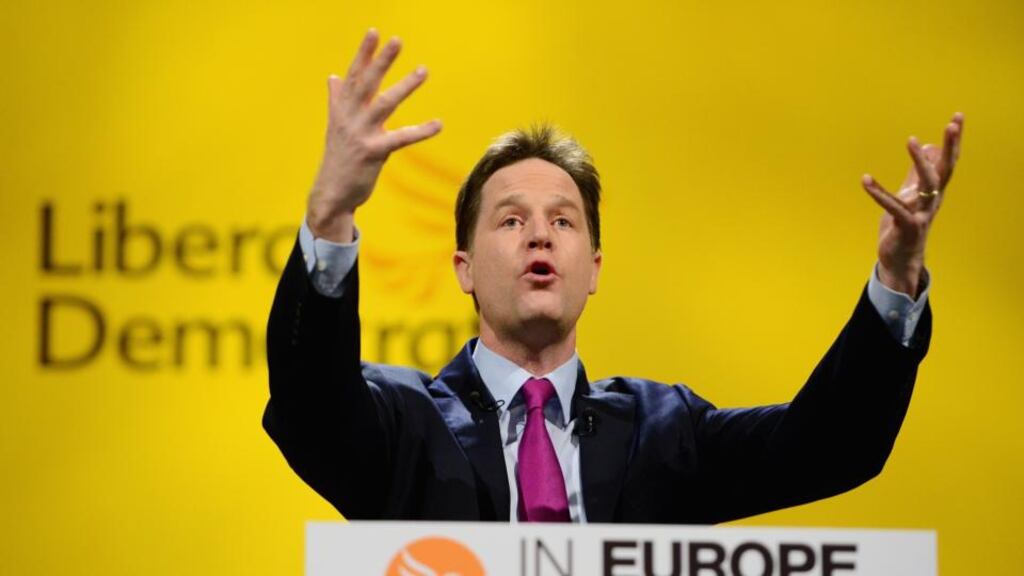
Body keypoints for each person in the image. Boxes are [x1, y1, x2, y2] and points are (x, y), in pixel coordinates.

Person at [262, 29, 964, 523]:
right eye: (511, 221)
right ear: (463, 269)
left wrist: (897, 281)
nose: (540, 233)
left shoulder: (663, 433)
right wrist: (331, 214)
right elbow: (308, 406)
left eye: (564, 221)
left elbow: (832, 447)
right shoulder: (401, 421)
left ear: (593, 269)